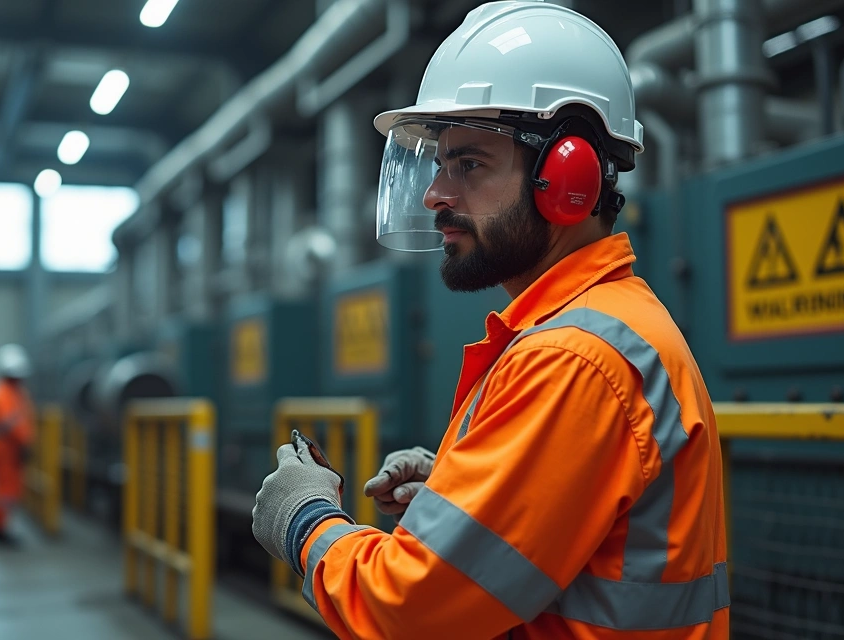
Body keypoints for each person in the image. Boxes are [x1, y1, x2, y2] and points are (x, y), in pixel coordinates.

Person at [251, 2, 729, 638]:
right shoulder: (598, 328)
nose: (436, 195)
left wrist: (305, 518)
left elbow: (407, 611)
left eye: (469, 164)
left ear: (568, 177)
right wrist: (461, 489)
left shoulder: (572, 359)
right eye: (440, 162)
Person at [0, 343, 36, 548]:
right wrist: (26, 443)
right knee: (4, 492)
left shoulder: (10, 392)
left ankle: (3, 529)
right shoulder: (0, 395)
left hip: (7, 450)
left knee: (7, 491)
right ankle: (0, 532)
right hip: (3, 451)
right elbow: (12, 424)